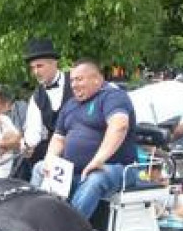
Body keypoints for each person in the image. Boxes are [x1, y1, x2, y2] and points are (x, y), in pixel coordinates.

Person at [30, 59, 140, 219]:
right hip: (75, 171)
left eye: (79, 79)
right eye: (72, 80)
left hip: (117, 168)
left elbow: (119, 126)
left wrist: (98, 160)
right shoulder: (70, 105)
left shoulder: (113, 96)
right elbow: (59, 138)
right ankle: (34, 222)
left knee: (95, 179)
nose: (74, 84)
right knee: (40, 167)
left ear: (97, 79)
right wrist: (50, 158)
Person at [23, 38, 73, 181]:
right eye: (32, 68)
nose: (35, 72)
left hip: (80, 149)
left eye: (39, 66)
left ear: (54, 63)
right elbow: (33, 133)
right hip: (56, 155)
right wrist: (26, 145)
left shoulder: (76, 82)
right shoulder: (36, 97)